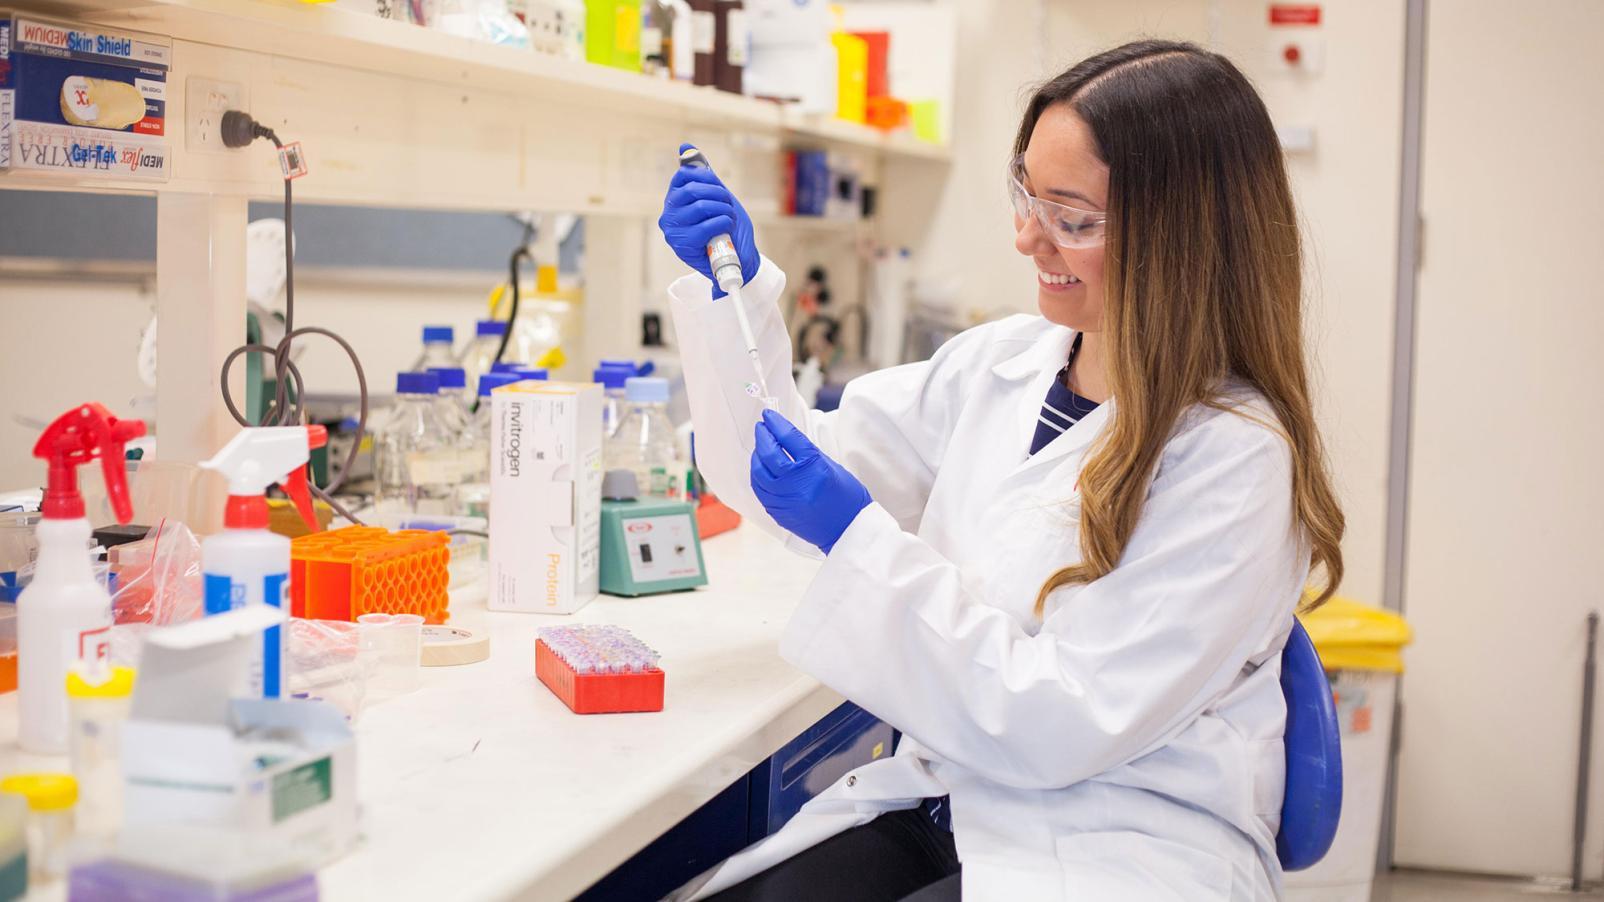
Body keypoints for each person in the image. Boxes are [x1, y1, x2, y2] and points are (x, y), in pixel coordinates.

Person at [656, 39, 1345, 902]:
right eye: (1027, 194)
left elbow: (1055, 721)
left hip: (1120, 847)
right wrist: (739, 298)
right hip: (951, 805)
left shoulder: (1236, 457)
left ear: (1186, 239)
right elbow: (774, 468)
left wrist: (855, 535)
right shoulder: (1003, 366)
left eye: (1073, 218)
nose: (1028, 239)